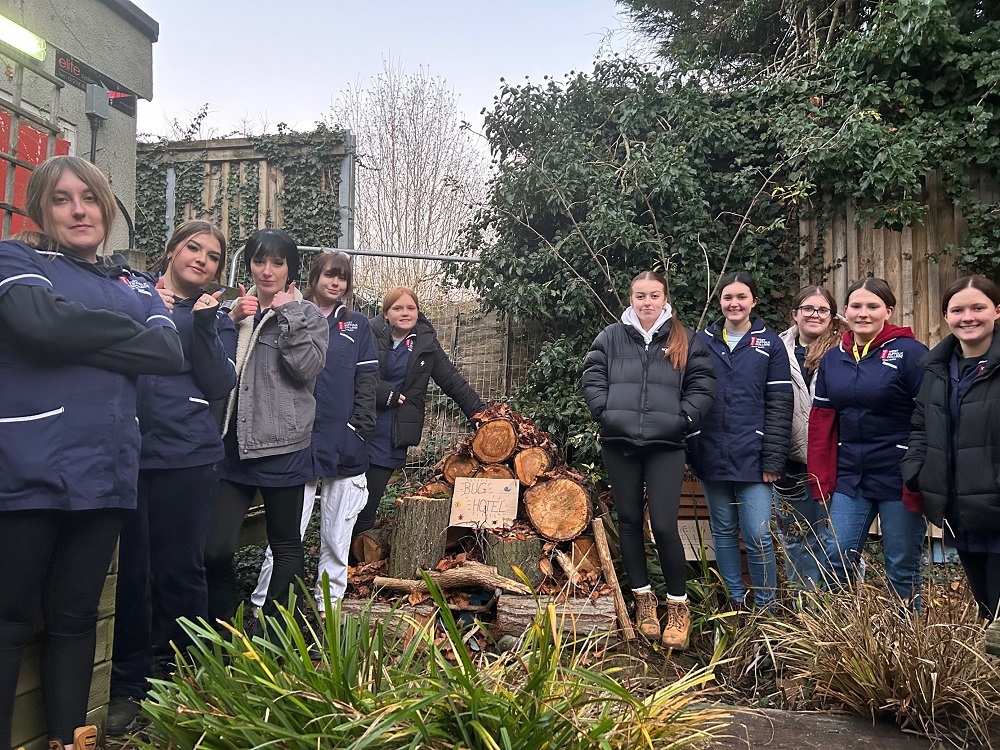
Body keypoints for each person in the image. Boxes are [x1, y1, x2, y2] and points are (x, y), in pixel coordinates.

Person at [0, 155, 183, 750]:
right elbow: (37, 325)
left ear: (107, 207)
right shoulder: (18, 259)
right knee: (9, 621)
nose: (78, 210)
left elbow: (167, 355)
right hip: (27, 463)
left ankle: (67, 740)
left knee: (77, 619)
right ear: (41, 209)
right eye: (61, 199)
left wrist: (74, 332)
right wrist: (118, 336)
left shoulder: (132, 282)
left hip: (106, 470)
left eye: (90, 198)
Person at [107, 221, 237, 734]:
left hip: (188, 457)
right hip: (129, 453)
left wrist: (205, 326)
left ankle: (181, 678)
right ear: (171, 251)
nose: (202, 259)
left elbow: (221, 380)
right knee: (131, 575)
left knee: (180, 572)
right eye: (193, 247)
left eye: (212, 256)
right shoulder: (130, 292)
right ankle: (127, 684)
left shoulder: (215, 315)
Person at [203, 228, 328, 633]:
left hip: (283, 447)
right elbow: (216, 370)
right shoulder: (237, 310)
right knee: (214, 550)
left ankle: (273, 634)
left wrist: (287, 314)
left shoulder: (307, 314)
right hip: (233, 447)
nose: (268, 270)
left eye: (277, 262)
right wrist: (229, 320)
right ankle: (226, 633)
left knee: (286, 545)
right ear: (250, 264)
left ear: (291, 268)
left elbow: (306, 369)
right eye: (260, 261)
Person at [582, 271, 715, 648]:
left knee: (664, 524)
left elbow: (703, 386)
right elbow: (592, 377)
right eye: (640, 296)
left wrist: (682, 420)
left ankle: (678, 606)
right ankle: (644, 601)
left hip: (666, 446)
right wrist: (605, 413)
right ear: (630, 298)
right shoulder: (610, 337)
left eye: (654, 295)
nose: (646, 302)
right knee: (628, 521)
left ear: (664, 297)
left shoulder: (684, 339)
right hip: (619, 442)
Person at [251, 251, 377, 611]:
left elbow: (367, 381)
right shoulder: (292, 313)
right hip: (298, 442)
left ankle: (328, 610)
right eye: (329, 275)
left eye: (342, 278)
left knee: (337, 539)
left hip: (345, 443)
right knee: (286, 536)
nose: (335, 283)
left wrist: (358, 429)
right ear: (314, 277)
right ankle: (264, 608)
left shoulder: (358, 326)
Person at [809, 277, 928, 609]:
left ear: (888, 311)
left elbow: (931, 414)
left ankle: (907, 643)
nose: (863, 313)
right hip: (852, 477)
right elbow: (821, 422)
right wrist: (821, 479)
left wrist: (921, 470)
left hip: (899, 477)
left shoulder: (911, 354)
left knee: (901, 567)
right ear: (845, 311)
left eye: (873, 306)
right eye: (856, 306)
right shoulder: (834, 359)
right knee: (834, 557)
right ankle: (843, 640)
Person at [687, 271, 793, 613]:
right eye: (728, 297)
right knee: (723, 530)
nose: (734, 303)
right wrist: (692, 445)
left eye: (741, 297)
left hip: (755, 455)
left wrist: (774, 459)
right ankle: (734, 601)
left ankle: (766, 607)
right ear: (721, 302)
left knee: (759, 535)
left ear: (754, 302)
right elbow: (688, 395)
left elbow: (780, 403)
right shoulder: (701, 341)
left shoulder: (770, 344)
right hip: (711, 451)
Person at [354, 286, 485, 543]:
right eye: (398, 308)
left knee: (368, 506)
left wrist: (480, 414)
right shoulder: (368, 333)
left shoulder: (425, 342)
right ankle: (336, 565)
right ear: (386, 313)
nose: (405, 313)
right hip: (359, 428)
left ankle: (353, 565)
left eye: (410, 308)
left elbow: (452, 381)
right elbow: (349, 373)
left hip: (392, 435)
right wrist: (382, 392)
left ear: (418, 311)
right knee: (346, 502)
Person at [903, 275, 1000, 621]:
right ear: (946, 316)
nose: (968, 317)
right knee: (988, 610)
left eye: (978, 307)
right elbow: (919, 426)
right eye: (958, 310)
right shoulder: (937, 369)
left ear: (997, 311)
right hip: (960, 513)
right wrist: (916, 471)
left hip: (996, 510)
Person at [774, 286, 847, 590]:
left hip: (835, 463)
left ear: (832, 316)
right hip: (790, 463)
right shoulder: (776, 350)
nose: (814, 315)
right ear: (795, 314)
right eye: (808, 308)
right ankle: (806, 611)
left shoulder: (847, 350)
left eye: (822, 310)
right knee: (795, 539)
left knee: (838, 541)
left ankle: (841, 611)